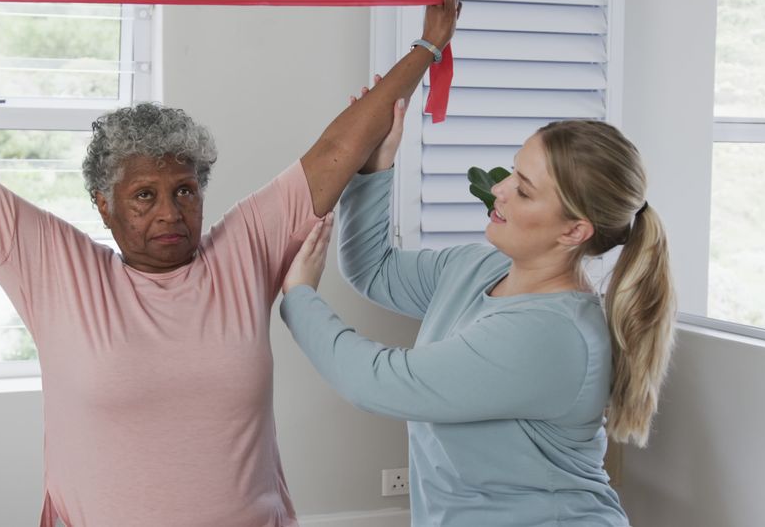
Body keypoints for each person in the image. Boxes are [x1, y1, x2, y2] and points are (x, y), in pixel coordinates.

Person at [0, 0, 459, 527]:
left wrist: (426, 50)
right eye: (144, 196)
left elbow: (338, 149)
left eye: (185, 191)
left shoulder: (242, 252)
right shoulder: (58, 271)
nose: (171, 212)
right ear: (103, 204)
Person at [280, 101, 676, 525]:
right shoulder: (478, 268)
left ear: (574, 231)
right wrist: (376, 167)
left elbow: (378, 381)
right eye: (513, 171)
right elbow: (374, 270)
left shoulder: (552, 335)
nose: (500, 189)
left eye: (524, 190)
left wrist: (299, 296)